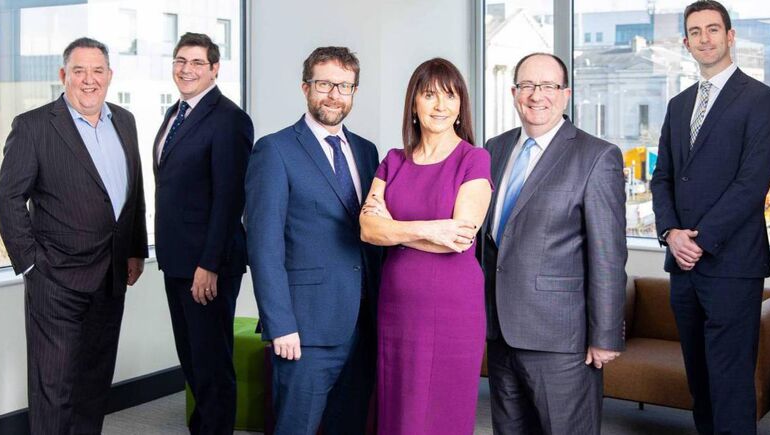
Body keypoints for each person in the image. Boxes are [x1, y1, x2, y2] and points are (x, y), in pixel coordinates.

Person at [0, 37, 148, 434]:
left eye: (97, 71)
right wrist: (30, 264)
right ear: (63, 76)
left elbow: (134, 192)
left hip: (111, 279)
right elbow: (8, 198)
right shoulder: (33, 127)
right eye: (79, 71)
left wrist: (133, 250)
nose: (88, 80)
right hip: (56, 282)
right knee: (54, 390)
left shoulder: (125, 121)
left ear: (110, 76)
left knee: (93, 386)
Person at [650, 1, 770, 433]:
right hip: (683, 266)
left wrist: (699, 240)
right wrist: (671, 232)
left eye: (713, 29)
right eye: (695, 31)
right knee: (700, 382)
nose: (704, 38)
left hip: (731, 264)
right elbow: (663, 178)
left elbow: (751, 184)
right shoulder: (678, 104)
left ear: (730, 36)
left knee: (729, 381)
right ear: (686, 42)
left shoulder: (762, 100)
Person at [481, 53, 627, 435]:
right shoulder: (493, 150)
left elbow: (608, 256)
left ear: (565, 95)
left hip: (561, 340)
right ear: (514, 93)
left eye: (547, 86)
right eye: (527, 85)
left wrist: (605, 334)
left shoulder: (596, 156)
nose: (536, 95)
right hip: (499, 331)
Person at [245, 46, 382, 435]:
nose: (333, 95)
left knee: (349, 424)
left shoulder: (367, 151)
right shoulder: (275, 150)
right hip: (304, 329)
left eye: (344, 86)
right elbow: (263, 245)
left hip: (362, 323)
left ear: (354, 92)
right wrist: (280, 324)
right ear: (306, 87)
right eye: (324, 84)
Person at [360, 58, 492, 435]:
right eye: (429, 94)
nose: (440, 105)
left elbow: (460, 237)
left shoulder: (474, 158)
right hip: (397, 306)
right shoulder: (394, 160)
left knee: (443, 412)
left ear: (461, 105)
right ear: (413, 104)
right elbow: (368, 229)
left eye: (450, 96)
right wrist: (431, 229)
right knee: (399, 408)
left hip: (453, 306)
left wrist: (394, 228)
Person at [152, 32, 253, 434]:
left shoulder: (229, 119)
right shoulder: (174, 113)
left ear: (215, 69)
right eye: (180, 61)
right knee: (193, 361)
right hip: (177, 260)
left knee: (211, 366)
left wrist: (208, 264)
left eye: (196, 62)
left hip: (207, 265)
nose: (186, 69)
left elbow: (230, 199)